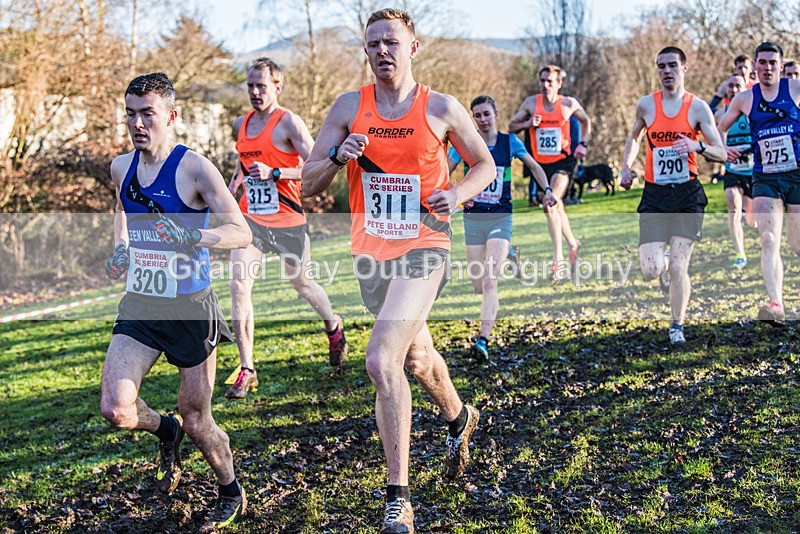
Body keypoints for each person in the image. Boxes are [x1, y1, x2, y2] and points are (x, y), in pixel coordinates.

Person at [302, 8, 494, 533]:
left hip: (426, 247)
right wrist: (338, 158)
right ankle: (460, 418)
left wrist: (455, 193)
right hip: (372, 253)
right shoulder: (348, 108)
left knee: (381, 358)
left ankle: (398, 499)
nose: (382, 50)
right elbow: (308, 182)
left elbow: (485, 165)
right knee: (416, 355)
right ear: (365, 51)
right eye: (373, 43)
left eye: (391, 41)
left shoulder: (441, 107)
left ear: (413, 47)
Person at [100, 73, 252, 531]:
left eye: (148, 113)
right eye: (131, 113)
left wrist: (194, 236)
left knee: (196, 419)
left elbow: (240, 231)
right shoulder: (120, 167)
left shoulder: (195, 169)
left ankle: (230, 490)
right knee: (117, 410)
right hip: (141, 307)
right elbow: (124, 213)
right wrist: (122, 249)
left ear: (172, 116)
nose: (138, 123)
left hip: (190, 309)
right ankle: (161, 429)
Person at [225, 57, 348, 399]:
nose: (254, 92)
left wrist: (276, 173)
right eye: (250, 85)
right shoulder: (243, 124)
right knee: (238, 285)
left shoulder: (289, 122)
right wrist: (228, 197)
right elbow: (242, 164)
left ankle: (333, 326)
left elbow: (318, 167)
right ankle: (247, 367)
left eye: (261, 86)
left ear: (277, 87)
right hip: (251, 220)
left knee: (303, 285)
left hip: (288, 220)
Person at [620, 47, 726, 344]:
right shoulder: (646, 105)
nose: (666, 71)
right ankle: (662, 266)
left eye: (672, 66)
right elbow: (634, 137)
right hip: (655, 195)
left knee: (681, 266)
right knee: (650, 270)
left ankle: (676, 325)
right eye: (661, 66)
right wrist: (627, 168)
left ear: (684, 68)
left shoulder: (698, 108)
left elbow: (720, 151)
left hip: (687, 195)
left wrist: (698, 147)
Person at [447, 95, 554, 360]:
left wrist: (548, 190)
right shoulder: (465, 144)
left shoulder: (510, 142)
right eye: (477, 115)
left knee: (488, 279)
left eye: (486, 114)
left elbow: (535, 167)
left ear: (496, 113)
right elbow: (441, 173)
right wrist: (458, 193)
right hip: (473, 219)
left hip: (500, 217)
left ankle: (483, 340)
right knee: (476, 284)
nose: (482, 120)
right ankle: (510, 256)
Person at [718, 42, 800, 324]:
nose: (767, 68)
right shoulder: (744, 98)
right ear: (754, 66)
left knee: (797, 244)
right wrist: (722, 149)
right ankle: (776, 303)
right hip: (765, 177)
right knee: (768, 238)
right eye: (762, 62)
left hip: (796, 175)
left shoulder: (795, 89)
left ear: (780, 65)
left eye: (773, 63)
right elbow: (719, 127)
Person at [508, 65, 591, 280]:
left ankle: (558, 259)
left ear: (559, 84)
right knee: (556, 204)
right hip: (541, 164)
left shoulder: (568, 104)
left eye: (550, 82)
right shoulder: (530, 104)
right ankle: (573, 243)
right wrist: (528, 123)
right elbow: (511, 126)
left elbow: (585, 120)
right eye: (542, 81)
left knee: (550, 202)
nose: (545, 85)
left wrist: (583, 143)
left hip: (564, 161)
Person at [714, 75, 755, 269]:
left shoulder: (752, 111)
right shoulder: (720, 115)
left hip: (754, 171)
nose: (733, 89)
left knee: (753, 220)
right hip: (732, 171)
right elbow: (713, 139)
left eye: (738, 85)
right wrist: (724, 151)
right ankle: (740, 254)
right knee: (733, 207)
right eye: (730, 86)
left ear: (745, 87)